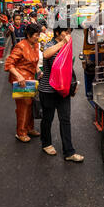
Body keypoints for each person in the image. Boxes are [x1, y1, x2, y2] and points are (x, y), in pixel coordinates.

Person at [38, 26, 84, 162]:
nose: (68, 34)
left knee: (65, 119)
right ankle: (46, 143)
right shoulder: (50, 44)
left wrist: (73, 84)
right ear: (57, 32)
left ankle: (69, 151)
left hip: (63, 90)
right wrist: (63, 43)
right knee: (48, 118)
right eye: (66, 32)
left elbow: (68, 67)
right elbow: (46, 55)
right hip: (49, 90)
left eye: (69, 32)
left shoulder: (67, 46)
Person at [4, 23, 42, 142]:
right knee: (23, 107)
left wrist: (38, 69)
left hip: (31, 79)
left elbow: (34, 61)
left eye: (38, 35)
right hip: (20, 80)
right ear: (29, 35)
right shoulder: (20, 46)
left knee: (30, 105)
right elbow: (9, 64)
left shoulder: (35, 45)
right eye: (36, 35)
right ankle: (21, 132)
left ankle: (29, 128)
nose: (38, 37)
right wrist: (19, 76)